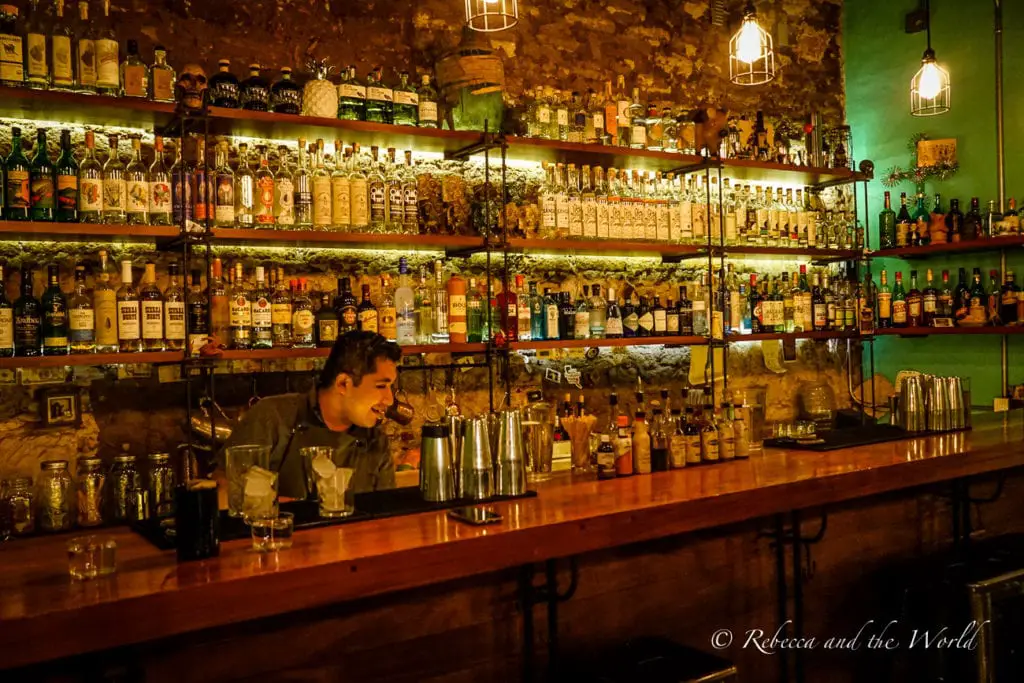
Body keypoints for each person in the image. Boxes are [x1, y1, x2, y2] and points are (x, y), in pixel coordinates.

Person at [219, 330, 401, 499]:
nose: (389, 399)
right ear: (343, 384)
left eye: (390, 387)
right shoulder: (273, 416)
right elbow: (224, 485)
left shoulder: (376, 440)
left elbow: (385, 517)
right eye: (381, 386)